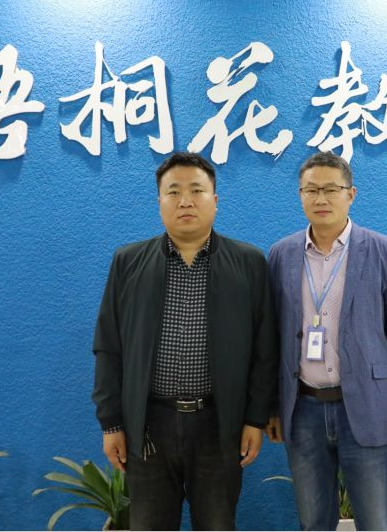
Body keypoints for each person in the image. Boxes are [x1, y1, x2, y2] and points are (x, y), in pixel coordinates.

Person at [92, 152, 277, 531]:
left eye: (197, 190)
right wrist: (111, 424)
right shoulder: (128, 262)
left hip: (219, 424)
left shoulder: (249, 263)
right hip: (148, 424)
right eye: (173, 192)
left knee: (217, 524)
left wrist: (255, 419)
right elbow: (108, 347)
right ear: (159, 201)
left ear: (215, 200)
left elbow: (265, 350)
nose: (185, 201)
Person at [265, 151, 387, 531]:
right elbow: (270, 339)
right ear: (300, 195)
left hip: (367, 408)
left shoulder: (384, 251)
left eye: (331, 189)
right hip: (303, 409)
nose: (321, 198)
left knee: (377, 523)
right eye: (311, 190)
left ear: (351, 194)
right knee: (313, 522)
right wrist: (271, 406)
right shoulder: (281, 254)